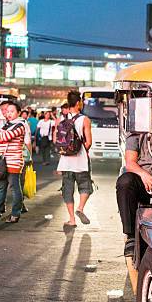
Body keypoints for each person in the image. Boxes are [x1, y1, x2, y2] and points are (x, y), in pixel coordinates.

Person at [116, 102, 152, 257]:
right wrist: (144, 174)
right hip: (146, 182)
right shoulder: (137, 133)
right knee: (125, 182)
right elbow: (130, 162)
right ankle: (131, 236)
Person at [0, 102, 26, 223]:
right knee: (1, 187)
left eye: (12, 111)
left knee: (15, 188)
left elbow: (3, 137)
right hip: (2, 162)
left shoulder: (20, 125)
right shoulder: (6, 125)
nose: (9, 114)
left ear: (18, 112)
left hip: (14, 161)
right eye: (7, 111)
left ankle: (15, 213)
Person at [57, 91, 93, 228]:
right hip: (81, 161)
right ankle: (80, 208)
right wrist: (82, 151)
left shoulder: (61, 119)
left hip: (65, 161)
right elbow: (89, 142)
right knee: (85, 186)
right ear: (78, 103)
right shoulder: (84, 119)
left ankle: (72, 219)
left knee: (67, 189)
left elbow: (59, 141)